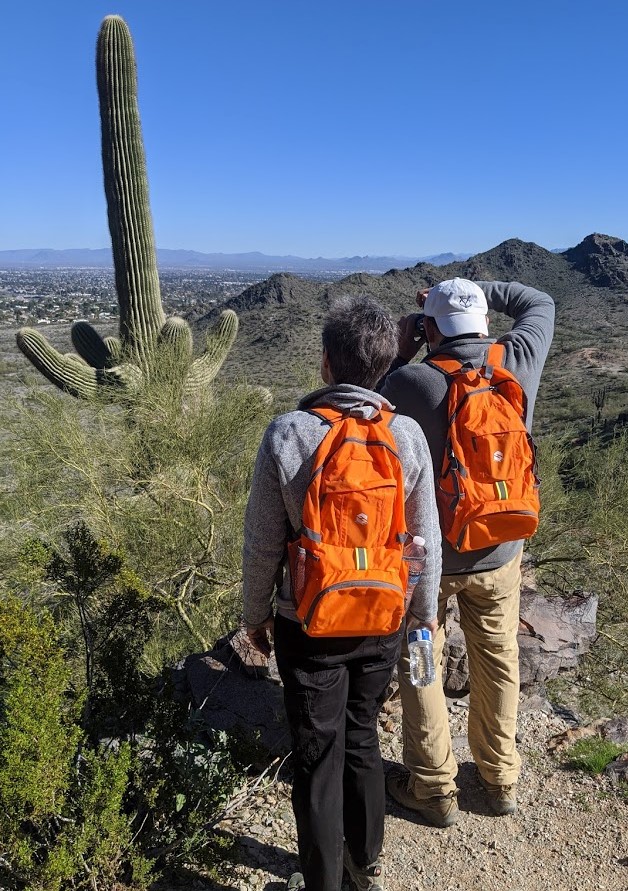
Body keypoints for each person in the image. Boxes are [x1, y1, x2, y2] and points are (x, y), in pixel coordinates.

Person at [242, 294, 441, 891]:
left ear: (326, 363)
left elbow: (262, 544)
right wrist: (422, 617)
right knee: (361, 737)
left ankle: (323, 880)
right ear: (385, 365)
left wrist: (256, 616)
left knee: (316, 752)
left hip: (309, 619)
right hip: (382, 616)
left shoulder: (288, 432)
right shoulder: (405, 436)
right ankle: (367, 862)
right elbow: (422, 542)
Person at [380, 278, 554, 826]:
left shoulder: (410, 381)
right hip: (500, 549)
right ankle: (500, 777)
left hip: (429, 558)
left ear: (429, 329)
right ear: (482, 322)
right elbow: (539, 302)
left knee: (422, 661)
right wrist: (479, 288)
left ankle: (432, 788)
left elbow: (363, 401)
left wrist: (401, 350)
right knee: (497, 657)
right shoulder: (517, 360)